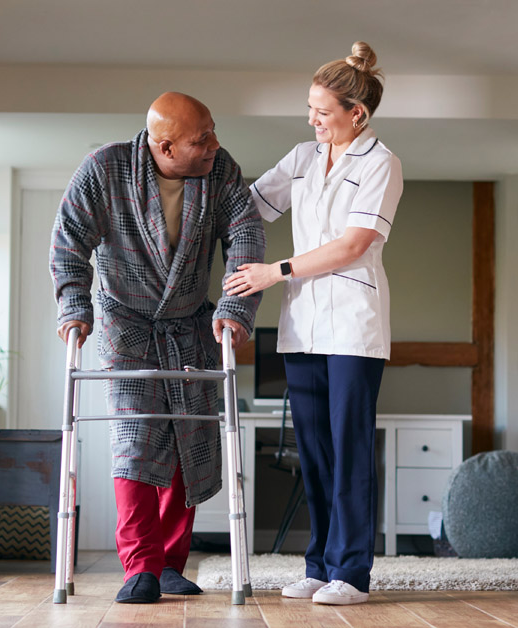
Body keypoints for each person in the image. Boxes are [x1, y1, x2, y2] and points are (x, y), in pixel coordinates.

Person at [51, 92, 265, 604]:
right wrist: (73, 307)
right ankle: (140, 566)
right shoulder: (104, 169)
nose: (215, 144)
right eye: (201, 139)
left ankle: (171, 563)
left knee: (188, 439)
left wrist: (234, 313)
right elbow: (69, 242)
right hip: (126, 323)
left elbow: (246, 239)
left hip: (190, 321)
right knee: (135, 438)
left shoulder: (221, 172)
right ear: (164, 147)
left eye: (213, 130)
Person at [224, 42, 403, 606]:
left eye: (322, 112)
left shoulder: (381, 164)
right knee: (314, 452)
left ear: (358, 114)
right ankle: (319, 563)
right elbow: (249, 206)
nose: (312, 120)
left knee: (349, 450)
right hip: (301, 326)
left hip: (353, 326)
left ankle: (352, 572)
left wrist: (274, 270)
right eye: (310, 109)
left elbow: (353, 245)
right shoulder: (303, 157)